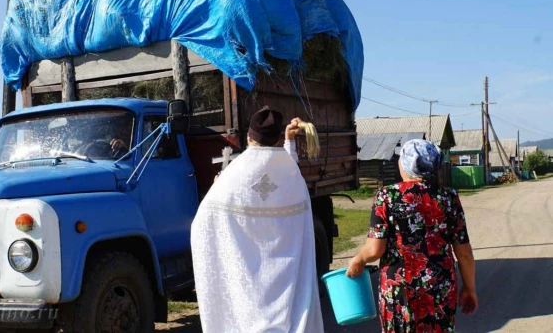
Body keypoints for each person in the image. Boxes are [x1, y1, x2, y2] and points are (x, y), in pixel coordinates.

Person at [191, 106, 324, 333]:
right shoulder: (292, 177)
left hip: (247, 291)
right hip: (287, 287)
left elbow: (202, 225)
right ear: (277, 140)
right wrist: (289, 142)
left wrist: (217, 192)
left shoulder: (232, 177)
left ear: (249, 138)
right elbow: (287, 169)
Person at [347, 139, 477, 332]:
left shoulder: (387, 196)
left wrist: (358, 260)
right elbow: (464, 252)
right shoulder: (448, 198)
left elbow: (374, 250)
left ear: (407, 164)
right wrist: (470, 288)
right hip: (439, 288)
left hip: (400, 291)